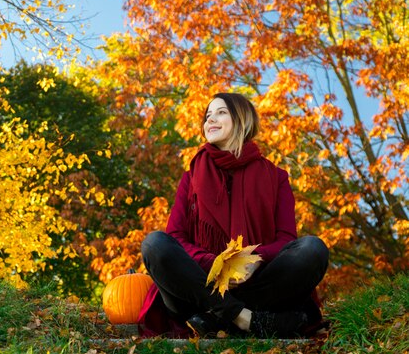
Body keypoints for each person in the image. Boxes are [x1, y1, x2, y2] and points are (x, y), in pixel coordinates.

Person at [138, 92, 329, 338]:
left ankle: (216, 320)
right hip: (199, 289)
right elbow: (177, 237)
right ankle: (243, 319)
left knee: (312, 248)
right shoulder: (191, 177)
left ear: (242, 119)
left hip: (259, 287)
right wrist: (218, 265)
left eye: (221, 112)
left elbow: (286, 239)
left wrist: (251, 260)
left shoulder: (276, 177)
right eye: (208, 116)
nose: (211, 120)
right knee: (155, 244)